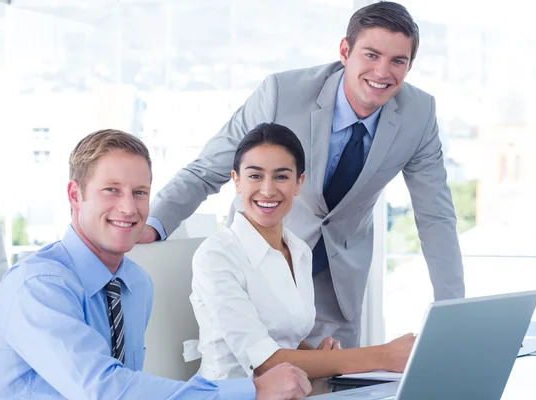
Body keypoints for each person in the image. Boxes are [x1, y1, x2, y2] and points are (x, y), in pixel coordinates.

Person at [139, 1, 465, 348]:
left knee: (339, 381)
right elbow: (208, 170)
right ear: (345, 51)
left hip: (336, 284)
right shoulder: (282, 94)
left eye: (397, 61)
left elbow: (435, 217)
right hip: (258, 267)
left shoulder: (419, 114)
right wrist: (152, 226)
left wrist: (453, 312)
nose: (383, 72)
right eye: (371, 55)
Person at [0, 129, 312, 400]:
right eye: (111, 190)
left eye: (139, 192)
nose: (128, 208)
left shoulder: (134, 284)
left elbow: (129, 384)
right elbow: (106, 390)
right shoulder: (39, 287)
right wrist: (252, 390)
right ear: (75, 196)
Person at [188, 123, 415, 380]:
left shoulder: (299, 250)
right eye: (255, 176)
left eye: (282, 176)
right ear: (236, 181)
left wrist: (323, 358)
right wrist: (384, 355)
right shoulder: (216, 256)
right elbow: (264, 363)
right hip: (229, 394)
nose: (268, 189)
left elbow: (287, 340)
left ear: (299, 183)